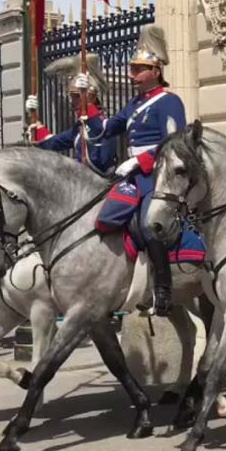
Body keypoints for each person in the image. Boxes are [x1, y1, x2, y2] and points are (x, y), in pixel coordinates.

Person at [89, 26, 186, 317]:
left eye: (138, 69)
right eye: (132, 69)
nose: (131, 74)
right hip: (132, 175)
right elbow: (104, 130)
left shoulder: (169, 101)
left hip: (157, 175)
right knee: (102, 217)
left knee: (149, 226)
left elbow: (174, 142)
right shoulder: (134, 104)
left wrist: (140, 161)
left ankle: (163, 289)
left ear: (155, 71)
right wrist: (88, 102)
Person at [25, 53, 118, 175]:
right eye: (71, 96)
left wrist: (88, 103)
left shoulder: (102, 124)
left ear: (92, 96)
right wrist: (33, 116)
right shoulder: (79, 128)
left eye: (76, 96)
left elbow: (101, 163)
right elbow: (52, 143)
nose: (71, 100)